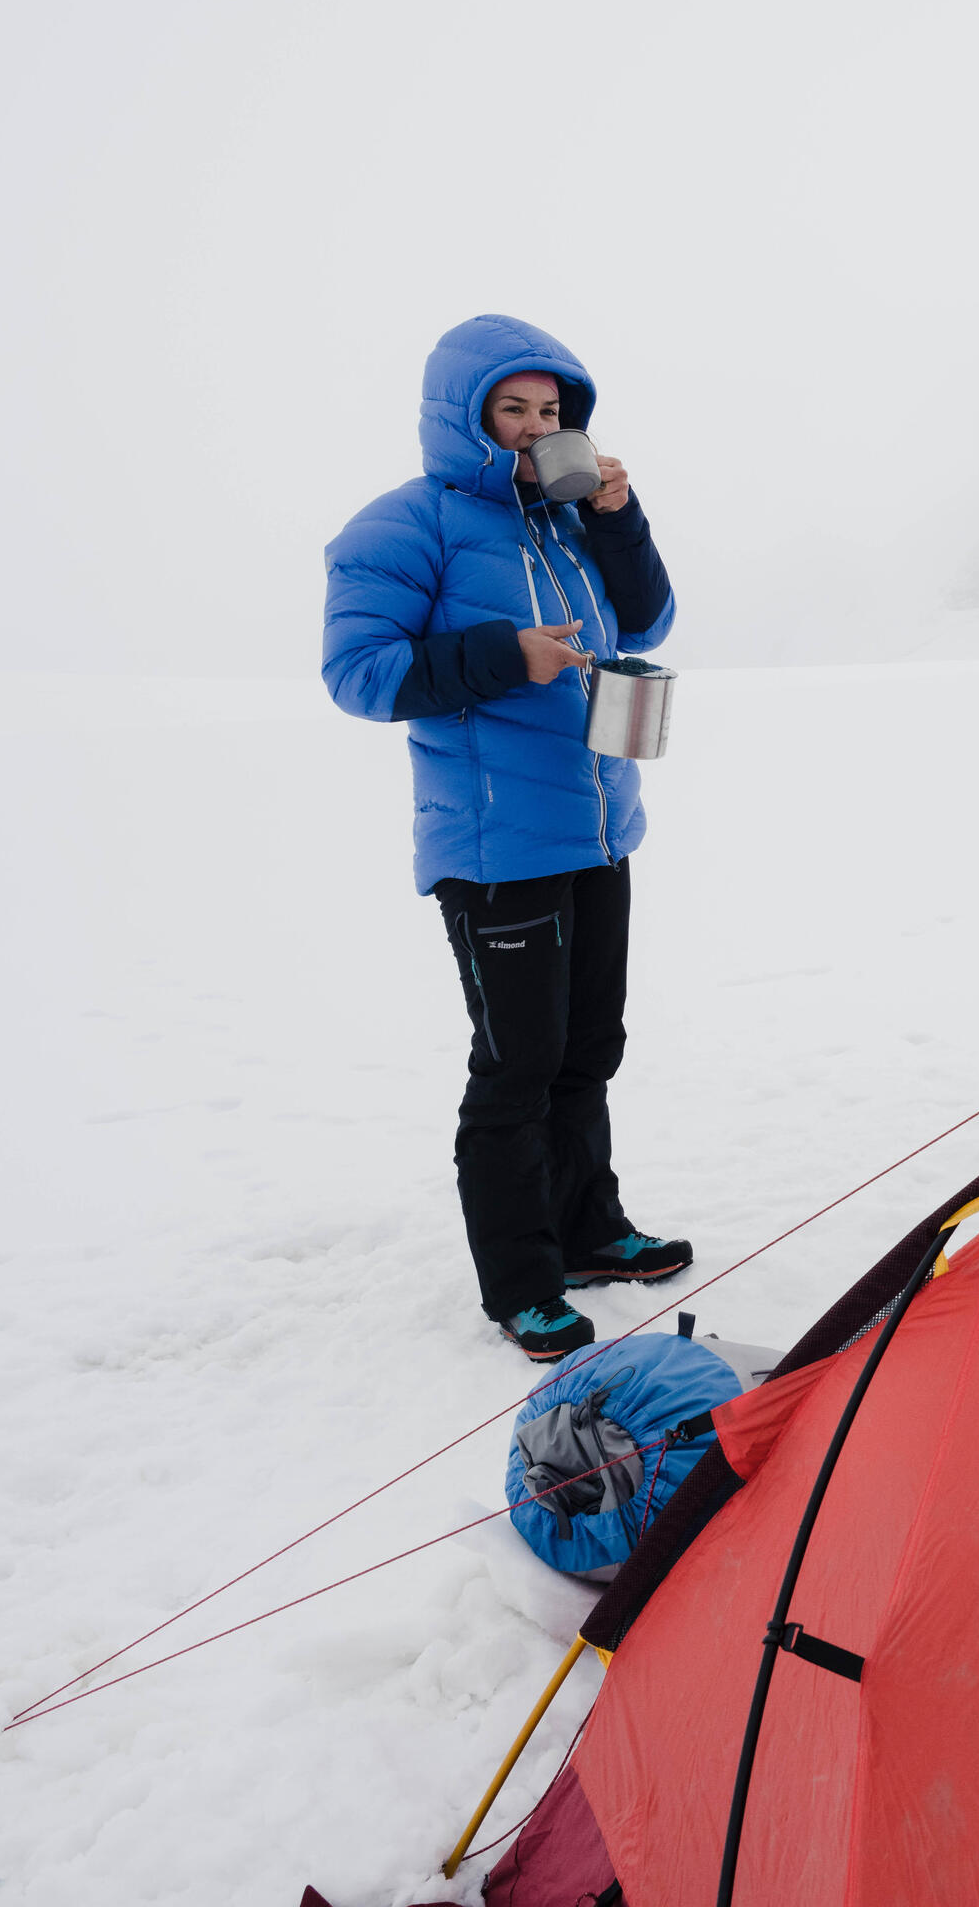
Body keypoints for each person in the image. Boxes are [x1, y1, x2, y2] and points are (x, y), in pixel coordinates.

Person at [322, 315, 693, 1361]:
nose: (536, 430)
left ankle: (591, 1230)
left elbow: (648, 620)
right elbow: (360, 674)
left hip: (598, 825)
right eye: (513, 411)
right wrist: (502, 656)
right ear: (465, 419)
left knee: (588, 1047)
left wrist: (619, 518)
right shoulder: (403, 528)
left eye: (552, 411)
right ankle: (522, 1280)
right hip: (494, 848)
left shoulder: (567, 522)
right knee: (517, 1065)